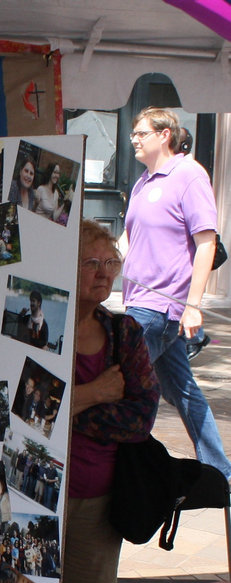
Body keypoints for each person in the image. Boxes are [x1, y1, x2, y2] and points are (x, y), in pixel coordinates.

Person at [122, 106, 231, 479]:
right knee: (183, 392)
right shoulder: (142, 182)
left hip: (159, 308)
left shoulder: (189, 175)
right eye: (133, 134)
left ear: (164, 134)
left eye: (141, 133)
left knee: (121, 385)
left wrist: (193, 306)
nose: (133, 139)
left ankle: (130, 469)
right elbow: (128, 240)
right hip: (137, 301)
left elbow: (206, 243)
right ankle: (222, 474)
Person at [64, 219, 160, 583]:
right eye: (91, 263)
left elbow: (141, 419)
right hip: (32, 498)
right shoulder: (36, 331)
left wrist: (66, 409)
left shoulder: (124, 333)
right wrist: (95, 392)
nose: (104, 274)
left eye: (111, 263)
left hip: (98, 501)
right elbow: (15, 411)